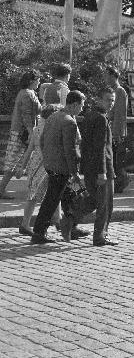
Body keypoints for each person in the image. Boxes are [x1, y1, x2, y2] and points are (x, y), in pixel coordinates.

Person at [30, 90, 87, 244]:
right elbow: (69, 149)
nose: (82, 109)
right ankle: (39, 232)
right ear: (74, 104)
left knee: (69, 197)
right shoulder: (69, 121)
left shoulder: (53, 116)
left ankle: (70, 228)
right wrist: (74, 172)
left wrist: (48, 160)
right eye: (81, 105)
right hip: (62, 169)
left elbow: (42, 141)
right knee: (53, 200)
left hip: (52, 165)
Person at [71, 87, 117, 246]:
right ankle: (100, 236)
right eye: (108, 99)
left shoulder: (90, 115)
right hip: (101, 169)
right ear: (99, 99)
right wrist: (103, 172)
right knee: (105, 205)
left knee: (92, 201)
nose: (111, 103)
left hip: (90, 167)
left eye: (112, 100)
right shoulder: (100, 118)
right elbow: (100, 148)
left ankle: (70, 222)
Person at [16, 104, 61, 236]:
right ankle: (55, 221)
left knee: (35, 195)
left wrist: (22, 167)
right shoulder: (51, 129)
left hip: (34, 165)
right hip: (46, 166)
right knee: (53, 193)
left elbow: (29, 150)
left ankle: (26, 223)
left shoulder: (36, 129)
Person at [1, 70, 42, 199]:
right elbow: (26, 115)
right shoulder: (27, 94)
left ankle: (2, 189)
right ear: (31, 81)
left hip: (20, 131)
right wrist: (31, 132)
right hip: (22, 133)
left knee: (17, 162)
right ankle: (1, 189)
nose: (39, 82)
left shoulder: (27, 93)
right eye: (38, 80)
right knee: (14, 162)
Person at [106, 66, 129, 193]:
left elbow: (120, 113)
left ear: (113, 76)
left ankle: (120, 183)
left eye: (106, 75)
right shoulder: (113, 90)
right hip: (111, 129)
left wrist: (117, 133)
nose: (105, 78)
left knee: (116, 160)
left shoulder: (119, 91)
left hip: (115, 131)